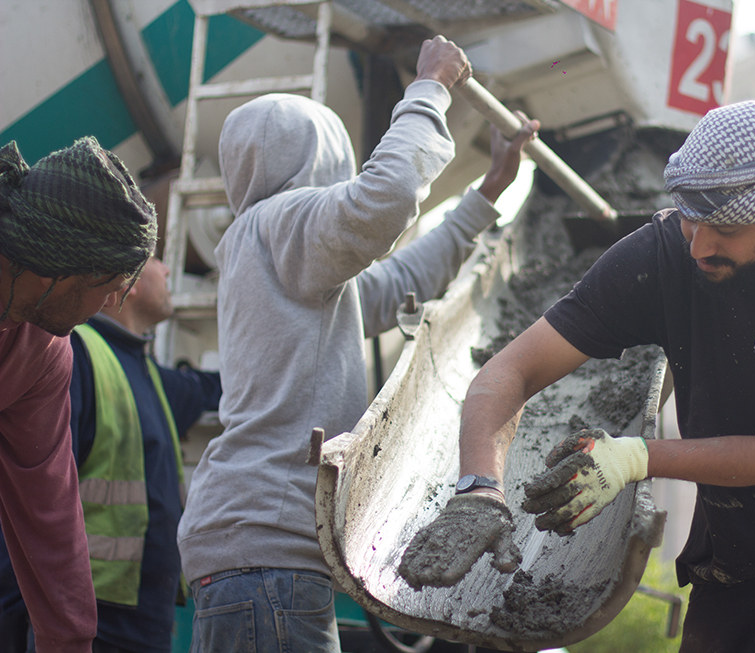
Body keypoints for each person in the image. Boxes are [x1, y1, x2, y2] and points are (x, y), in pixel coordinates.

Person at [399, 101, 755, 652]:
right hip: (737, 548)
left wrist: (635, 457)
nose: (699, 245)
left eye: (723, 230)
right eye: (691, 218)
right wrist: (478, 489)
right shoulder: (665, 254)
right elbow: (510, 371)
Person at [175, 35, 540, 652]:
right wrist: (429, 89)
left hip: (261, 548)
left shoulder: (277, 256)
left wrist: (487, 193)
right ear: (319, 161)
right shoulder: (281, 225)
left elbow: (397, 284)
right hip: (268, 551)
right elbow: (386, 199)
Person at [0, 255, 222, 653]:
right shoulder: (71, 355)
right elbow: (30, 493)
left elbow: (212, 389)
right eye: (158, 260)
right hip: (89, 621)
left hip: (144, 620)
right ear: (124, 283)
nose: (169, 270)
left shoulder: (147, 371)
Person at [0, 137, 157, 652]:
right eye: (110, 282)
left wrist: (69, 640)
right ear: (64, 265)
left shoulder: (44, 351)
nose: (116, 300)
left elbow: (48, 507)